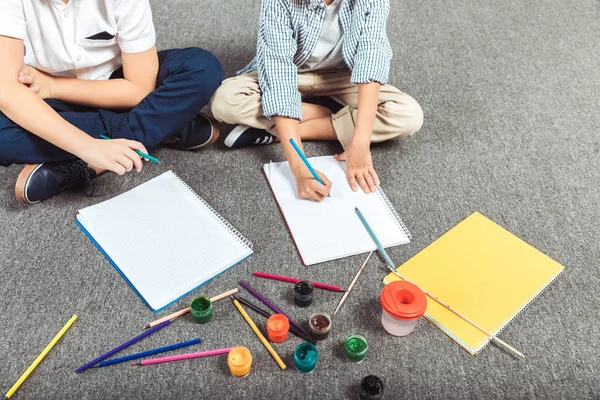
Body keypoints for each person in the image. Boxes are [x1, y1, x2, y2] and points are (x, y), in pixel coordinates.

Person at [0, 0, 223, 204]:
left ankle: (92, 164)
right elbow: (8, 91)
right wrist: (86, 146)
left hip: (117, 85)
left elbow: (139, 88)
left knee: (201, 67)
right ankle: (163, 126)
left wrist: (54, 86)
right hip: (46, 97)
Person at [210, 0, 423, 201]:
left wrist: (360, 142)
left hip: (344, 76)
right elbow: (278, 77)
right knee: (225, 102)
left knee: (408, 115)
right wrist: (298, 168)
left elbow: (371, 55)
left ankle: (275, 131)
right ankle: (335, 113)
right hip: (294, 72)